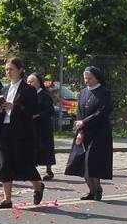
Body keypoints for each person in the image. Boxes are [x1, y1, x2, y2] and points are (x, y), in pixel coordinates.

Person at [0, 57, 44, 208]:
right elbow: (2, 110)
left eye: (11, 69)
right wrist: (0, 108)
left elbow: (33, 110)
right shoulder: (4, 89)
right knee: (4, 164)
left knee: (24, 163)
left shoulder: (29, 89)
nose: (8, 72)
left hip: (21, 131)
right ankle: (7, 200)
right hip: (5, 129)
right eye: (6, 69)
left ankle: (38, 186)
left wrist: (14, 107)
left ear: (20, 70)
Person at [65, 65, 114, 200]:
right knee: (81, 162)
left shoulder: (104, 93)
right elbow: (79, 112)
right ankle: (91, 191)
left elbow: (102, 113)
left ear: (97, 78)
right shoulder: (83, 92)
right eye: (85, 78)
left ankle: (98, 189)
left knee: (91, 161)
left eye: (89, 78)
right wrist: (80, 131)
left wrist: (85, 122)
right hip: (84, 132)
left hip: (99, 132)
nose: (87, 81)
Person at [29, 73, 58, 181]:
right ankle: (32, 169)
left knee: (46, 148)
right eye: (28, 81)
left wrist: (38, 115)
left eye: (32, 81)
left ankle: (48, 170)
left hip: (43, 126)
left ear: (38, 83)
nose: (29, 83)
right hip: (32, 126)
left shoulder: (44, 96)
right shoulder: (29, 95)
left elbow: (51, 111)